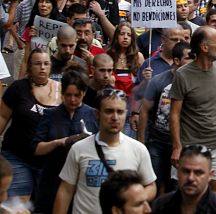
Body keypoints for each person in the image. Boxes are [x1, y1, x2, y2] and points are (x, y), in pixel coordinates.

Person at [54, 88, 157, 214]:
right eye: (109, 111)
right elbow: (66, 190)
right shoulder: (78, 149)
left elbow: (151, 185)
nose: (115, 117)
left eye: (120, 112)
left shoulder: (138, 149)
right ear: (97, 114)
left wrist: (133, 198)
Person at [170, 26, 216, 193]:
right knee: (187, 194)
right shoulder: (183, 75)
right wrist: (177, 147)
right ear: (204, 47)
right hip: (190, 147)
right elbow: (175, 114)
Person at [32, 68, 98, 213]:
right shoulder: (50, 115)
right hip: (52, 179)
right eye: (68, 95)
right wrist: (58, 142)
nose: (72, 100)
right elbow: (36, 148)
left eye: (77, 95)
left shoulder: (93, 115)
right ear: (62, 93)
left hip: (82, 183)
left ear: (84, 93)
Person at [0, 48, 60, 204]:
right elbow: (2, 117)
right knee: (18, 205)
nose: (42, 67)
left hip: (49, 161)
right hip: (18, 156)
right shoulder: (18, 88)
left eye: (46, 64)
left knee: (45, 204)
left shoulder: (61, 90)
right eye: (38, 64)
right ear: (29, 66)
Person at [138, 42, 192, 193]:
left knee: (175, 187)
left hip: (183, 142)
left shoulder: (194, 82)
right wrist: (141, 144)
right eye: (188, 58)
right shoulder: (158, 81)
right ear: (176, 60)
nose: (193, 62)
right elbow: (144, 111)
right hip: (158, 142)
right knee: (154, 183)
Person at [151, 144, 216, 214]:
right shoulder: (161, 205)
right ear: (177, 172)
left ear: (210, 175)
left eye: (198, 173)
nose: (191, 178)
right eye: (186, 171)